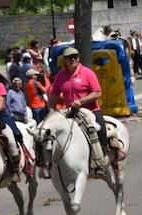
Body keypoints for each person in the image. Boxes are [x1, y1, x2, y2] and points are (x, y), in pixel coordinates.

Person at [47, 47, 111, 177]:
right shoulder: (60, 76)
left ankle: (101, 160)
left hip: (90, 110)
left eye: (74, 57)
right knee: (48, 133)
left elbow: (97, 93)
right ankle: (51, 164)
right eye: (69, 58)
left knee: (100, 130)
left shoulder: (87, 73)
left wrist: (81, 101)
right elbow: (53, 95)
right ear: (64, 60)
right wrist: (51, 112)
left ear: (78, 58)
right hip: (70, 111)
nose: (72, 60)